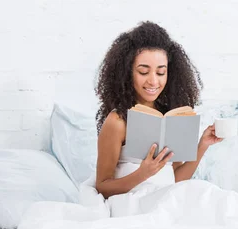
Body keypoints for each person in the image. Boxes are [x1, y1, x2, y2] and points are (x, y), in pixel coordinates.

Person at [93, 21, 222, 199]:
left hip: (166, 203)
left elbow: (177, 180)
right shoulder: (118, 121)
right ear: (127, 72)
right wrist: (142, 174)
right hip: (133, 205)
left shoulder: (170, 118)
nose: (153, 81)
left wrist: (202, 146)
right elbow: (102, 187)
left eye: (161, 72)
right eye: (143, 72)